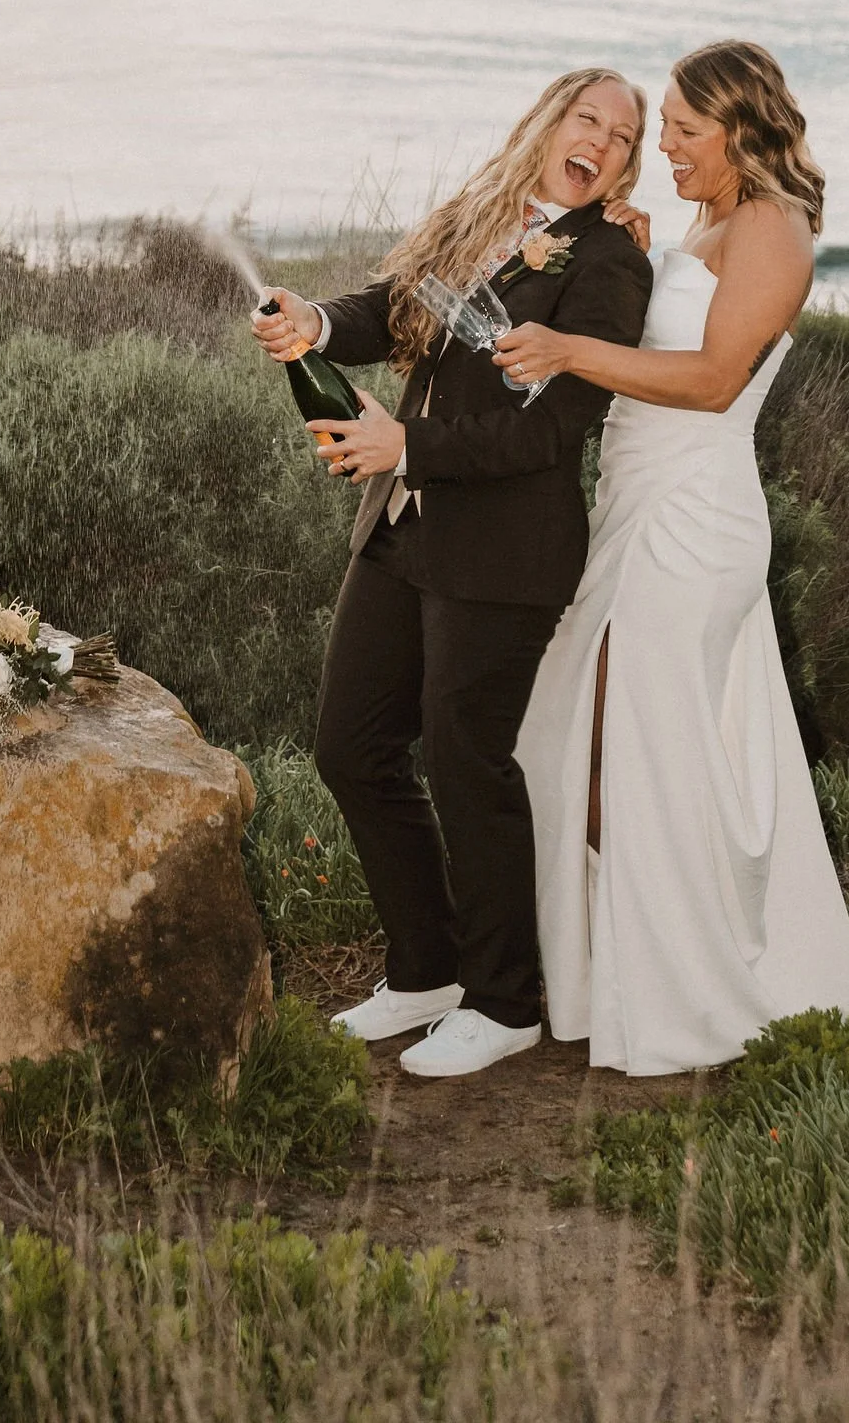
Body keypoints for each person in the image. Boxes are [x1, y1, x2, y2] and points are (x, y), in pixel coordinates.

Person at [252, 69, 654, 1078]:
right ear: (548, 120)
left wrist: (409, 447)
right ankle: (424, 970)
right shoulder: (478, 210)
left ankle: (504, 999)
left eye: (623, 133)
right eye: (586, 117)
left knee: (467, 762)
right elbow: (392, 312)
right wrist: (313, 321)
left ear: (626, 161)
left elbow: (558, 431)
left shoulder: (607, 263)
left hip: (507, 549)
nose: (600, 140)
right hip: (403, 529)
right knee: (350, 747)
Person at [497, 40, 849, 1076]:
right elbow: (676, 322)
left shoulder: (774, 227)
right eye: (656, 126)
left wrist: (569, 350)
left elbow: (711, 380)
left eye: (679, 129)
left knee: (643, 761)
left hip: (692, 520)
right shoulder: (712, 221)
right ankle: (622, 973)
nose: (656, 144)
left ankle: (685, 995)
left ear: (740, 131)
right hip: (633, 506)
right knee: (568, 741)